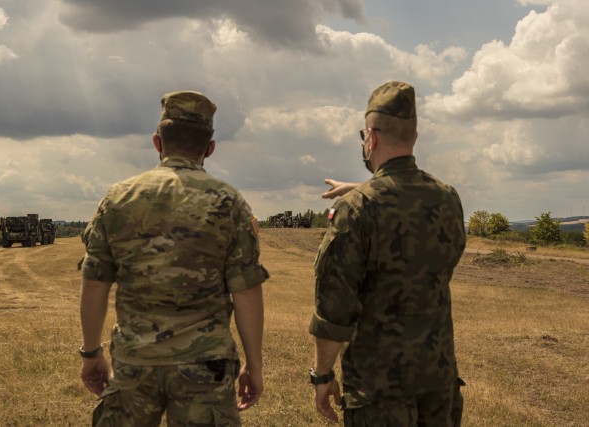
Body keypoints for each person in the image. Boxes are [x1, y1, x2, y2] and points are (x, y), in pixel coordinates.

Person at [79, 90, 269, 427]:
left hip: (135, 361)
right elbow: (246, 291)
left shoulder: (119, 198)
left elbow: (95, 283)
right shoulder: (228, 201)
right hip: (206, 365)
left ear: (157, 143)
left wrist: (92, 352)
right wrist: (254, 365)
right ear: (209, 148)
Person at [309, 81, 466, 426]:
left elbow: (334, 310)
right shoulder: (447, 197)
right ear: (414, 136)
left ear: (371, 137)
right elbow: (404, 197)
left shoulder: (358, 209)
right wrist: (360, 189)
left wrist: (322, 375)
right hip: (439, 382)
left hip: (378, 390)